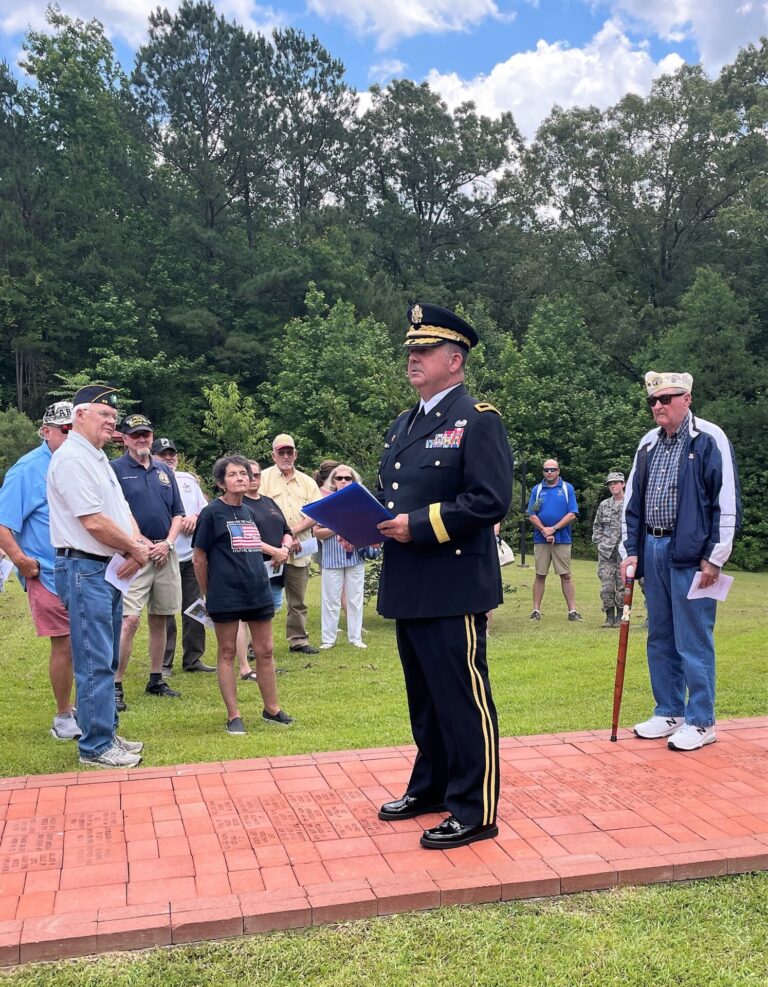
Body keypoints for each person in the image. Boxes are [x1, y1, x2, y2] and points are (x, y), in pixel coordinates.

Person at [375, 303, 513, 850]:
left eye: (425, 349)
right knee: (425, 698)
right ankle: (431, 787)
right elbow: (395, 498)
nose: (413, 356)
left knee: (461, 698)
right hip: (410, 580)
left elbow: (488, 500)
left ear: (455, 360)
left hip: (453, 584)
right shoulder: (404, 422)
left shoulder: (479, 419)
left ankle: (474, 808)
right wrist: (364, 524)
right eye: (411, 349)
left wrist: (420, 524)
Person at [621, 371, 741, 752]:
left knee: (693, 637)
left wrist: (715, 557)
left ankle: (701, 720)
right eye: (653, 400)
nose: (659, 405)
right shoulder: (647, 444)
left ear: (687, 399)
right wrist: (632, 550)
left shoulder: (709, 438)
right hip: (653, 549)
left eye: (667, 398)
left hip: (692, 555)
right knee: (660, 635)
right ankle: (669, 710)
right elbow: (632, 504)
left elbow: (726, 502)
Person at [47, 385, 149, 768]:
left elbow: (120, 512)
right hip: (84, 567)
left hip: (104, 567)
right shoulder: (73, 458)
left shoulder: (97, 457)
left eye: (113, 416)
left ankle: (104, 731)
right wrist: (137, 550)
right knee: (93, 659)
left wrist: (135, 543)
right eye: (103, 414)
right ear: (79, 417)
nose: (111, 421)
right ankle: (95, 746)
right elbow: (92, 521)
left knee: (103, 657)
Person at [192, 455, 293, 734]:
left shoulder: (248, 511)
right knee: (226, 652)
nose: (240, 478)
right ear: (220, 482)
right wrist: (207, 592)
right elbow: (198, 557)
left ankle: (271, 709)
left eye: (244, 474)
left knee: (266, 650)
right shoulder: (212, 513)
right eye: (232, 474)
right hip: (225, 593)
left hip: (257, 589)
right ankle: (234, 715)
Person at [0, 401, 79, 740]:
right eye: (64, 430)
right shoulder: (27, 469)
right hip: (46, 572)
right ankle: (63, 717)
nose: (70, 435)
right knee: (64, 644)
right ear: (45, 432)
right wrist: (22, 561)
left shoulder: (79, 462)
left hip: (84, 568)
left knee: (85, 643)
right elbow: (3, 524)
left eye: (74, 429)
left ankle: (81, 709)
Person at [110, 415, 185, 709]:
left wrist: (167, 542)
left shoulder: (164, 470)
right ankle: (115, 684)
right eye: (136, 435)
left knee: (162, 617)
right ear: (125, 438)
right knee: (129, 620)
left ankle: (156, 679)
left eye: (146, 434)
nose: (142, 439)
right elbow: (116, 512)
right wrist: (140, 543)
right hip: (133, 554)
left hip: (165, 551)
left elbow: (178, 512)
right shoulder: (115, 469)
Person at [152, 438, 216, 676]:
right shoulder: (150, 479)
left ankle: (194, 658)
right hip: (164, 555)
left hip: (190, 555)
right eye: (163, 454)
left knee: (196, 607)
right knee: (165, 610)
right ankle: (164, 663)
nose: (169, 458)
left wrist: (195, 517)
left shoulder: (187, 480)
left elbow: (205, 508)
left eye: (172, 454)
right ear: (153, 456)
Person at [260, 434, 320, 655]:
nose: (285, 456)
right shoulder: (263, 478)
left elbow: (315, 513)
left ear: (295, 454)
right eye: (281, 452)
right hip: (270, 549)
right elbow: (257, 511)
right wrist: (282, 538)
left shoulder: (307, 482)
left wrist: (292, 534)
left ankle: (298, 640)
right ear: (273, 455)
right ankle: (252, 644)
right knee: (261, 596)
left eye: (289, 452)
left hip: (300, 547)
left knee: (298, 599)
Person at [315, 464, 378, 650]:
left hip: (355, 557)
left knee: (355, 599)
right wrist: (340, 526)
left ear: (354, 480)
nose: (343, 481)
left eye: (347, 478)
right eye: (339, 478)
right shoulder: (325, 502)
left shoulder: (360, 503)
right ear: (332, 481)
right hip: (331, 557)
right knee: (330, 600)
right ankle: (328, 639)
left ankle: (355, 637)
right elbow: (317, 532)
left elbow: (370, 527)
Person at [526, 459, 582, 622]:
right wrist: (544, 530)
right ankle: (536, 611)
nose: (549, 472)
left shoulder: (566, 488)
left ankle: (572, 611)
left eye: (552, 469)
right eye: (546, 469)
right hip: (541, 539)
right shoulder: (538, 490)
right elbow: (532, 514)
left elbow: (572, 514)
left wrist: (554, 529)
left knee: (565, 575)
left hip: (562, 538)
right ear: (543, 471)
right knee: (540, 574)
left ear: (558, 471)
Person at [592, 471, 626, 628]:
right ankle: (609, 616)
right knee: (606, 586)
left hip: (625, 552)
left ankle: (621, 617)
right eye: (610, 484)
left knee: (623, 586)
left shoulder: (630, 503)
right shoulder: (604, 505)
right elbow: (597, 526)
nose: (613, 486)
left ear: (623, 484)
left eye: (616, 482)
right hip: (606, 552)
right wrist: (599, 543)